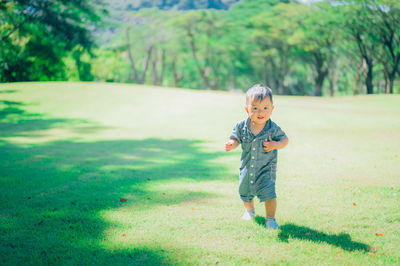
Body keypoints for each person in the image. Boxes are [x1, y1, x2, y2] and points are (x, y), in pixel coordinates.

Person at [225, 84, 289, 229]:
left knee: (269, 193)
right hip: (247, 167)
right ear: (247, 109)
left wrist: (275, 145)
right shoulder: (241, 126)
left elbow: (285, 140)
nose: (261, 112)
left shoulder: (273, 128)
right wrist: (231, 143)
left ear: (272, 109)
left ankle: (271, 219)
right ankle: (249, 211)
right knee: (244, 190)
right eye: (255, 108)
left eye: (265, 108)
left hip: (267, 169)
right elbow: (236, 139)